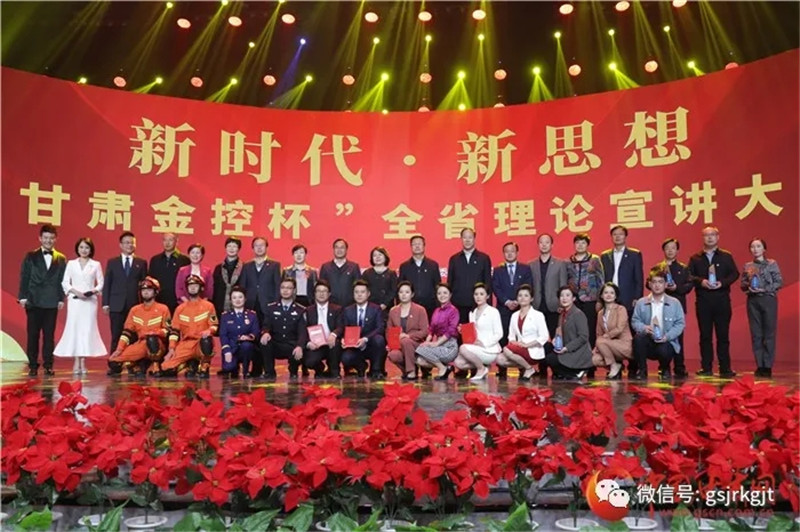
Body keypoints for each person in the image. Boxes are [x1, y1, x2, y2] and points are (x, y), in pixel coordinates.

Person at [687, 226, 739, 378]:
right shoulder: (695, 258)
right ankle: (706, 367)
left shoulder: (726, 256)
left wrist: (722, 283)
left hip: (722, 300)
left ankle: (725, 367)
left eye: (712, 235)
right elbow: (689, 276)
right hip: (703, 301)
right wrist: (701, 281)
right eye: (706, 235)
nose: (709, 238)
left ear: (718, 237)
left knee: (723, 336)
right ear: (702, 238)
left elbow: (734, 274)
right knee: (705, 336)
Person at [18, 224, 67, 377]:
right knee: (33, 335)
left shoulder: (61, 258)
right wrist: (22, 297)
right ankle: (32, 365)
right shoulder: (31, 256)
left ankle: (48, 365)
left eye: (51, 238)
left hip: (52, 301)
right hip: (33, 300)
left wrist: (61, 298)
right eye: (45, 238)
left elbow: (63, 280)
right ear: (40, 238)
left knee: (49, 336)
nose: (48, 241)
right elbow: (25, 276)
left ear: (55, 239)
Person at [54, 237, 106, 374]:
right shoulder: (71, 264)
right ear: (77, 249)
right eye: (81, 247)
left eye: (87, 247)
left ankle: (83, 362)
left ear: (91, 249)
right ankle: (76, 361)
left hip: (89, 302)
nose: (84, 250)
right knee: (75, 330)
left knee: (86, 331)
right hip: (75, 301)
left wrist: (91, 292)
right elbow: (65, 282)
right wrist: (76, 292)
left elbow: (101, 283)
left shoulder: (96, 264)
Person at [107, 277, 171, 377]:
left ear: (155, 292)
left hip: (157, 344)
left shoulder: (163, 309)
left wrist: (156, 333)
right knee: (113, 362)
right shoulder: (135, 310)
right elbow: (127, 332)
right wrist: (119, 349)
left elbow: (168, 331)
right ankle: (136, 364)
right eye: (143, 290)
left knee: (152, 340)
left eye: (149, 290)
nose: (145, 292)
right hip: (140, 344)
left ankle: (155, 365)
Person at [631, 269, 686, 380]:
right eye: (654, 282)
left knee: (665, 350)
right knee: (638, 339)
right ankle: (642, 370)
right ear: (650, 284)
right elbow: (635, 321)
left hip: (666, 341)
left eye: (660, 282)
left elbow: (680, 324)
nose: (657, 285)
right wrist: (644, 328)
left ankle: (664, 368)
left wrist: (667, 336)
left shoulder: (674, 303)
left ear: (666, 284)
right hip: (648, 340)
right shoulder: (641, 302)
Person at [160, 275, 218, 378]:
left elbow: (214, 326)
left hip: (200, 343)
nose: (193, 288)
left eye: (195, 285)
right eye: (190, 286)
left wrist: (209, 331)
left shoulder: (209, 306)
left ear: (201, 288)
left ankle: (204, 365)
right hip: (186, 344)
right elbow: (174, 331)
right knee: (166, 368)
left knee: (207, 341)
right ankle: (189, 364)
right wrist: (171, 349)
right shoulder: (180, 309)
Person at [740, 238, 783, 378]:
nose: (755, 249)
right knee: (756, 334)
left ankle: (768, 365)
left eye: (758, 246)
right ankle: (760, 365)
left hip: (768, 299)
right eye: (752, 247)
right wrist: (749, 287)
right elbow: (743, 284)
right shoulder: (748, 266)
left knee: (769, 333)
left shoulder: (772, 263)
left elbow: (779, 282)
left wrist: (764, 289)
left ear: (764, 249)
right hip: (753, 301)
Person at [240, 236, 282, 374]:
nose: (259, 248)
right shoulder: (247, 266)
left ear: (266, 247)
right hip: (251, 306)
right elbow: (243, 287)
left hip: (268, 307)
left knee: (267, 337)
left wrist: (275, 304)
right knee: (253, 336)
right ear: (253, 248)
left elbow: (277, 286)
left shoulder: (274, 265)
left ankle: (269, 368)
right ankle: (256, 368)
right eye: (256, 245)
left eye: (262, 245)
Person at [492, 241, 533, 379]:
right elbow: (496, 288)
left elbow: (528, 286)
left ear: (517, 252)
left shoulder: (525, 269)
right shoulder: (498, 270)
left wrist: (517, 301)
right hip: (503, 309)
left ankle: (523, 367)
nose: (509, 254)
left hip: (521, 308)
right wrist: (507, 301)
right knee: (503, 336)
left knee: (520, 337)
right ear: (503, 253)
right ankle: (502, 369)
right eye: (507, 251)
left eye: (512, 251)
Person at [102, 231, 148, 354]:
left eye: (132, 243)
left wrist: (144, 304)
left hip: (134, 305)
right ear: (121, 245)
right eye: (127, 243)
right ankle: (114, 362)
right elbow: (107, 283)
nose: (130, 245)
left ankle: (132, 361)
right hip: (116, 305)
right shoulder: (113, 262)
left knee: (133, 336)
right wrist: (105, 303)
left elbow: (144, 285)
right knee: (116, 335)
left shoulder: (141, 263)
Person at [653, 238, 693, 378]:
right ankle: (663, 367)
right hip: (659, 306)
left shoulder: (683, 268)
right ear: (663, 250)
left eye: (673, 248)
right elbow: (648, 283)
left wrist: (677, 288)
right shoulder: (658, 268)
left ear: (677, 250)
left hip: (677, 307)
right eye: (667, 248)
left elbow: (690, 285)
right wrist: (660, 287)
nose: (670, 250)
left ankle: (679, 367)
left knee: (677, 338)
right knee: (660, 336)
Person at [497, 285, 549, 381]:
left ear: (531, 298)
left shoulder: (538, 315)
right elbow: (511, 337)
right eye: (520, 295)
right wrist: (516, 343)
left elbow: (544, 336)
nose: (522, 298)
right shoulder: (514, 315)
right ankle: (526, 367)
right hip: (519, 348)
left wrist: (526, 345)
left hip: (532, 349)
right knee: (499, 359)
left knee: (505, 349)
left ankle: (529, 369)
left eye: (526, 295)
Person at [259, 278, 306, 380]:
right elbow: (266, 325)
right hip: (276, 343)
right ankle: (269, 372)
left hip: (291, 344)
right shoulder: (271, 308)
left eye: (289, 288)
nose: (285, 290)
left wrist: (300, 346)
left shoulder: (300, 310)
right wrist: (266, 332)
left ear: (294, 290)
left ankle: (293, 371)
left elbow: (302, 332)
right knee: (264, 342)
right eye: (283, 288)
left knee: (300, 348)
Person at [453, 283, 502, 381]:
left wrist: (484, 343)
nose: (478, 297)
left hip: (489, 349)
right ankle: (484, 366)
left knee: (462, 348)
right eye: (476, 294)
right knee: (458, 362)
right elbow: (474, 332)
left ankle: (481, 369)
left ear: (487, 296)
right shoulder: (473, 312)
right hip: (476, 348)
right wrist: (463, 331)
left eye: (481, 294)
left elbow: (499, 333)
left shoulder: (493, 311)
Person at [544, 286, 593, 380]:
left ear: (573, 298)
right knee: (546, 350)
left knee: (552, 359)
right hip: (565, 347)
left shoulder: (578, 314)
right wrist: (555, 340)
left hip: (578, 351)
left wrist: (566, 348)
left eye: (567, 295)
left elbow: (583, 337)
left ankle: (576, 372)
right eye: (562, 295)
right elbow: (559, 332)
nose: (564, 298)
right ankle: (565, 373)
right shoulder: (562, 314)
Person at [341, 280, 386, 378]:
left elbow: (380, 328)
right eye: (356, 292)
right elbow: (344, 328)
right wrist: (343, 339)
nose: (359, 295)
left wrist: (365, 339)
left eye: (362, 292)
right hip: (354, 346)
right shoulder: (347, 310)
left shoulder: (376, 309)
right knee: (346, 358)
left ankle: (375, 370)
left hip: (370, 344)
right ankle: (361, 366)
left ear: (368, 293)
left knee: (379, 339)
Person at [415, 283, 460, 380]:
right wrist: (427, 342)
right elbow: (431, 330)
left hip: (449, 346)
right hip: (439, 345)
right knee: (419, 359)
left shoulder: (454, 310)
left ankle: (442, 368)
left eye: (445, 293)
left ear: (450, 295)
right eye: (439, 293)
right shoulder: (436, 311)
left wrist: (436, 344)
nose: (442, 295)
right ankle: (446, 367)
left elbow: (450, 331)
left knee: (420, 349)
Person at [567, 233, 604, 348]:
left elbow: (600, 280)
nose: (580, 245)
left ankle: (591, 351)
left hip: (590, 298)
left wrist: (600, 300)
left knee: (590, 326)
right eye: (577, 242)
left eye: (583, 243)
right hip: (574, 300)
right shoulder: (569, 261)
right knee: (575, 327)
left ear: (587, 245)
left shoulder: (594, 259)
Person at [447, 228, 492, 323]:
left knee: (478, 330)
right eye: (465, 237)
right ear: (461, 239)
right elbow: (450, 282)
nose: (467, 240)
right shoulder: (454, 259)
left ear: (474, 239)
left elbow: (487, 282)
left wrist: (489, 304)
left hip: (478, 304)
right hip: (458, 304)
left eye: (470, 237)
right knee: (460, 330)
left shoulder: (483, 258)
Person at [386, 281, 429, 381]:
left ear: (412, 294)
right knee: (393, 355)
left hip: (416, 343)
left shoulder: (420, 310)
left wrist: (409, 336)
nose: (404, 295)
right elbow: (389, 331)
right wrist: (391, 344)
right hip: (399, 344)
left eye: (407, 292)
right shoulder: (393, 311)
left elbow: (424, 331)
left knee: (406, 341)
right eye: (401, 292)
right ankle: (406, 370)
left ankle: (411, 371)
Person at [302, 280, 343, 379]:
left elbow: (341, 326)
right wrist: (308, 342)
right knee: (309, 362)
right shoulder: (308, 310)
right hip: (316, 344)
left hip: (331, 342)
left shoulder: (337, 309)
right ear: (314, 293)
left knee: (336, 344)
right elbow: (303, 330)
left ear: (329, 294)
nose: (321, 294)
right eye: (318, 291)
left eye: (324, 291)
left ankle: (334, 371)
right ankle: (319, 368)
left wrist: (334, 334)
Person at [529, 233, 568, 338]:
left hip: (554, 306)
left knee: (555, 336)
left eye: (547, 242)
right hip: (536, 306)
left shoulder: (560, 263)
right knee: (537, 336)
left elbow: (563, 285)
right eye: (541, 242)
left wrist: (562, 304)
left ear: (552, 245)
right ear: (538, 245)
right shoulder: (531, 265)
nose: (544, 245)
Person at [591, 283, 632, 380]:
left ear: (615, 296)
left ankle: (613, 366)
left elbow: (619, 329)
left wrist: (606, 337)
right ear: (601, 296)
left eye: (612, 293)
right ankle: (616, 365)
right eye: (606, 293)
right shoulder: (600, 313)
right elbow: (599, 334)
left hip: (624, 345)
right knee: (594, 360)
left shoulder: (621, 309)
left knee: (600, 341)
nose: (608, 295)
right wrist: (596, 347)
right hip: (607, 346)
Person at [600, 225, 644, 314]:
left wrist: (637, 297)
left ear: (625, 236)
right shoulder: (605, 256)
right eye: (615, 234)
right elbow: (602, 278)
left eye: (620, 234)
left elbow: (639, 278)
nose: (617, 237)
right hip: (609, 296)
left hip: (628, 297)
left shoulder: (634, 254)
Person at [219, 286, 259, 378]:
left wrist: (249, 337)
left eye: (240, 297)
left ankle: (246, 370)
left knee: (247, 346)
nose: (237, 300)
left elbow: (255, 331)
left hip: (245, 348)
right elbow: (223, 335)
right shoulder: (225, 316)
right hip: (231, 347)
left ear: (245, 299)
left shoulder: (252, 315)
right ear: (231, 300)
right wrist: (226, 351)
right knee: (228, 368)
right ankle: (234, 367)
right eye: (234, 298)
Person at [398, 235, 441, 319]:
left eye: (419, 244)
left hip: (430, 306)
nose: (417, 246)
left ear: (424, 246)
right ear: (411, 247)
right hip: (410, 305)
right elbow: (400, 287)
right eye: (414, 244)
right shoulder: (404, 266)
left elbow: (437, 285)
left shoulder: (433, 265)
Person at [148, 233, 190, 314]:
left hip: (177, 301)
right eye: (165, 240)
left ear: (176, 242)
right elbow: (151, 280)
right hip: (159, 300)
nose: (167, 243)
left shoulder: (184, 260)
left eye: (170, 240)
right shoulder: (155, 260)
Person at [319, 238, 361, 307]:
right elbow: (321, 287)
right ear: (333, 249)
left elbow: (358, 287)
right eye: (337, 247)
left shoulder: (354, 267)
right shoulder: (325, 267)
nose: (339, 250)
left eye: (342, 247)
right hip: (330, 306)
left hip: (349, 306)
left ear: (346, 250)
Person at [361, 246, 397, 323]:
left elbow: (394, 290)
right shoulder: (367, 273)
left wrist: (385, 303)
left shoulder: (391, 274)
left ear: (385, 256)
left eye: (380, 255)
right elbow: (363, 289)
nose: (377, 257)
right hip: (370, 308)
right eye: (375, 255)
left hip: (387, 308)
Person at [212, 237, 243, 318]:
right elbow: (214, 288)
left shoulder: (244, 267)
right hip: (219, 305)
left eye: (234, 246)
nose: (231, 249)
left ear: (239, 249)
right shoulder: (218, 268)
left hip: (238, 305)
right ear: (225, 248)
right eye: (229, 246)